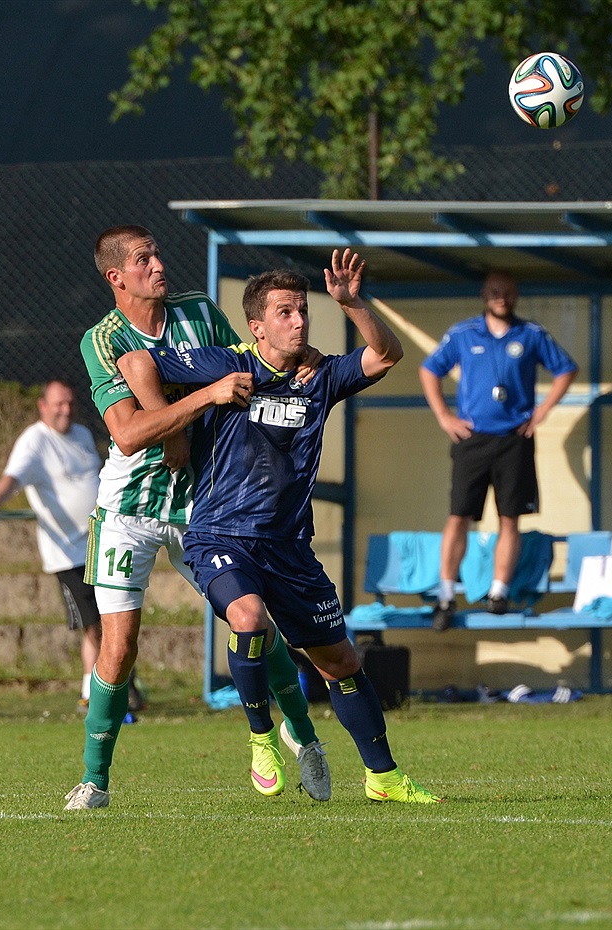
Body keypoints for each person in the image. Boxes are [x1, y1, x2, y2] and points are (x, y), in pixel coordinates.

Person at [118, 248, 443, 804]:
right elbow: (136, 364)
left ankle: (383, 776)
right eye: (286, 312)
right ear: (256, 326)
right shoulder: (226, 365)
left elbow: (386, 354)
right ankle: (262, 738)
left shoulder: (320, 376)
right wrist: (198, 405)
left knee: (341, 662)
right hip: (220, 534)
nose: (298, 320)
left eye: (303, 311)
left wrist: (352, 302)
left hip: (290, 548)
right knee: (248, 618)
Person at [64, 225, 328, 811]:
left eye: (156, 253)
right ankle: (95, 780)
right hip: (128, 508)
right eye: (143, 259)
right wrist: (197, 402)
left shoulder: (199, 313)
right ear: (117, 278)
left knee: (252, 620)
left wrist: (302, 356)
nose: (159, 264)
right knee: (119, 646)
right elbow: (130, 434)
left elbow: (251, 366)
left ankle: (304, 739)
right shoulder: (101, 339)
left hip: (201, 504)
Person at [418, 269, 578, 630]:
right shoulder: (462, 333)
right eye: (494, 291)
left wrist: (542, 411)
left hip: (514, 440)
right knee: (458, 516)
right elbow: (429, 369)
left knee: (510, 518)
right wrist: (445, 416)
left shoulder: (531, 333)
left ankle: (499, 591)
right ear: (484, 295)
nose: (501, 297)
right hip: (472, 439)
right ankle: (445, 595)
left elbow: (566, 370)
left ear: (516, 294)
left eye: (507, 291)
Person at [0, 380, 107, 712]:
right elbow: (13, 477)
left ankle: (120, 687)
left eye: (71, 403)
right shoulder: (34, 441)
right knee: (94, 626)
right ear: (43, 407)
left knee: (114, 621)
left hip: (101, 545)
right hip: (68, 554)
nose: (66, 409)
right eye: (59, 403)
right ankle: (91, 695)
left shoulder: (83, 435)